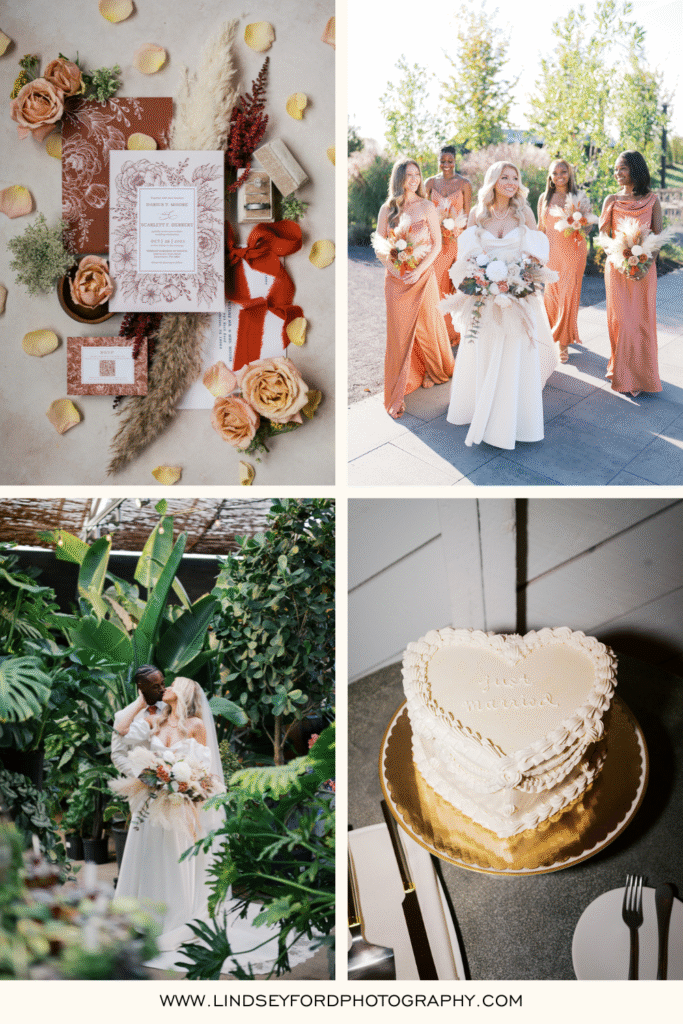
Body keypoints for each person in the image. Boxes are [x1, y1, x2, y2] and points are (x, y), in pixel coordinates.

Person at [111, 674, 312, 973]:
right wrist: (142, 702)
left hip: (180, 804)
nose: (165, 687)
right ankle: (148, 919)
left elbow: (202, 768)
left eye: (171, 684)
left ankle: (176, 921)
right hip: (154, 804)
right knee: (152, 862)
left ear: (184, 693)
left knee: (175, 863)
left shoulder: (195, 726)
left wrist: (184, 783)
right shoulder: (155, 720)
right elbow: (122, 730)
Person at [443, 162, 559, 449]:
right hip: (484, 296)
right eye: (504, 177)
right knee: (482, 351)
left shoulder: (524, 213)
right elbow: (466, 257)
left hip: (517, 297)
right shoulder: (478, 214)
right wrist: (481, 280)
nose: (510, 182)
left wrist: (519, 278)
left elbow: (537, 256)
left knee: (514, 356)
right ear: (493, 181)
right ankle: (480, 410)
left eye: (514, 178)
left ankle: (512, 420)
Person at [375, 158, 454, 419]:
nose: (414, 179)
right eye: (409, 174)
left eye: (417, 174)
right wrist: (396, 270)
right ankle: (400, 386)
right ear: (398, 178)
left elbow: (437, 245)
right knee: (399, 332)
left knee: (428, 325)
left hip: (422, 276)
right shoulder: (388, 208)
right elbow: (380, 245)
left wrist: (418, 271)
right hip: (396, 280)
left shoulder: (427, 206)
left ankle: (433, 369)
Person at [599, 150, 663, 397]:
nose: (617, 173)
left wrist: (645, 265)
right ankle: (623, 375)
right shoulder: (611, 200)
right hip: (617, 268)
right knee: (622, 321)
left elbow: (657, 236)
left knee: (641, 322)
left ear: (635, 169)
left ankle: (643, 377)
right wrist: (618, 257)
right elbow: (603, 236)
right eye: (615, 169)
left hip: (645, 270)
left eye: (622, 169)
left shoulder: (653, 200)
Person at [538, 159, 593, 361]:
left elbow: (589, 227)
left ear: (569, 174)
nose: (559, 176)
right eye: (555, 173)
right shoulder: (545, 198)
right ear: (550, 177)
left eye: (564, 172)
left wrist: (581, 224)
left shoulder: (579, 197)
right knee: (551, 296)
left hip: (573, 252)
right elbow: (540, 228)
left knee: (568, 295)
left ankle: (563, 342)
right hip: (551, 254)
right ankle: (553, 332)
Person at [425, 146, 472, 344]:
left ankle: (452, 332)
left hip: (456, 241)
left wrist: (468, 244)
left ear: (455, 161)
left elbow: (468, 216)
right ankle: (436, 330)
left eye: (450, 160)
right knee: (435, 284)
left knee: (454, 285)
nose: (446, 164)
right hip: (434, 242)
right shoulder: (429, 183)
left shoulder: (464, 184)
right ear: (438, 161)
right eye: (442, 161)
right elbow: (422, 211)